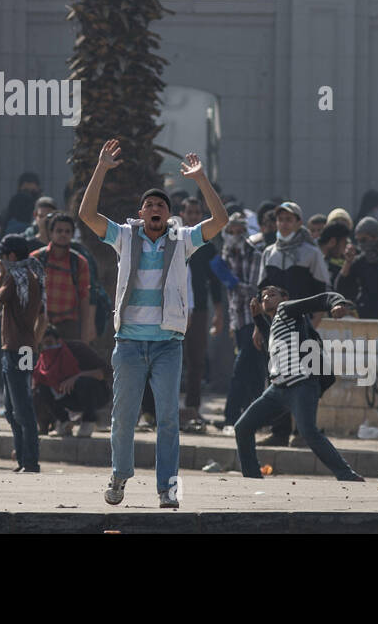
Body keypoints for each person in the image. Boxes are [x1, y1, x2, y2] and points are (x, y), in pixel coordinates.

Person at [78, 140, 228, 510]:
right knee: (123, 417)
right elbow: (86, 214)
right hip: (128, 343)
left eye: (162, 205)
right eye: (150, 205)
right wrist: (101, 168)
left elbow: (220, 221)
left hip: (166, 345)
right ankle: (119, 475)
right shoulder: (124, 236)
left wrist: (202, 179)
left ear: (169, 214)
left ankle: (167, 488)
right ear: (140, 213)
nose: (156, 209)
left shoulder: (183, 240)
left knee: (168, 419)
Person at [234, 286, 364, 482]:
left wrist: (336, 303)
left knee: (308, 432)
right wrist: (257, 318)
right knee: (242, 427)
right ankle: (252, 477)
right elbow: (273, 344)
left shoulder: (286, 309)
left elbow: (320, 299)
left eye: (272, 295)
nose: (266, 298)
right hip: (277, 389)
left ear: (284, 297)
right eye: (263, 297)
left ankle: (346, 475)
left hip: (302, 385)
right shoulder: (277, 322)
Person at [257, 201, 329, 447]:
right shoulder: (269, 253)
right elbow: (262, 293)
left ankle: (303, 433)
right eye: (280, 219)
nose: (284, 224)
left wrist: (313, 326)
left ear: (299, 223)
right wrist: (259, 326)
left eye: (289, 219)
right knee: (277, 377)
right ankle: (279, 432)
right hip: (277, 330)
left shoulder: (311, 253)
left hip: (303, 327)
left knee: (305, 379)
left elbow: (322, 293)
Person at [0, 235, 47, 472]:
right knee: (14, 410)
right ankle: (24, 459)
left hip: (16, 349)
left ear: (11, 257)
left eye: (3, 256)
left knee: (21, 409)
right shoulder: (34, 274)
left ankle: (30, 461)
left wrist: (1, 274)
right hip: (24, 347)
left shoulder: (14, 277)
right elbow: (43, 316)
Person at [210, 212, 265, 430]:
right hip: (238, 321)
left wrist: (232, 282)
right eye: (230, 231)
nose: (234, 235)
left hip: (253, 320)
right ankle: (256, 419)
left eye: (238, 230)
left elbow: (254, 291)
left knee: (240, 371)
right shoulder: (226, 253)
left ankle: (230, 417)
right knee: (253, 373)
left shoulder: (254, 254)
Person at [180, 195, 222, 429]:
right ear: (183, 214)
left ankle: (193, 408)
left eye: (198, 213)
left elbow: (216, 280)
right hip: (173, 307)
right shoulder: (173, 239)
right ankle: (159, 410)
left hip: (200, 310)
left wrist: (219, 311)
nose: (194, 216)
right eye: (190, 212)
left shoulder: (207, 244)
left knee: (196, 360)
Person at [34, 325, 111, 441]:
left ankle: (89, 421)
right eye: (43, 345)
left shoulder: (77, 349)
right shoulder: (43, 359)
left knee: (83, 382)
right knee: (41, 388)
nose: (46, 347)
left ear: (58, 341)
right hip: (68, 396)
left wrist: (76, 376)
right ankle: (64, 422)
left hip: (97, 394)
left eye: (49, 343)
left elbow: (105, 372)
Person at [29, 212, 92, 342]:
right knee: (36, 362)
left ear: (72, 235)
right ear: (51, 233)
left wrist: (86, 331)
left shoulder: (79, 262)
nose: (63, 234)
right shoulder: (36, 258)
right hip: (38, 323)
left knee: (68, 361)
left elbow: (84, 298)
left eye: (67, 231)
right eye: (59, 231)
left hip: (68, 325)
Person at [335, 217, 378, 319]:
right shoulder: (360, 260)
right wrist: (348, 262)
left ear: (376, 237)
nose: (361, 245)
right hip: (364, 316)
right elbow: (341, 288)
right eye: (358, 241)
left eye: (364, 240)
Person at [0, 172, 42, 243]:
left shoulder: (44, 214)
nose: (28, 196)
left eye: (33, 192)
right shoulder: (5, 215)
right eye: (25, 191)